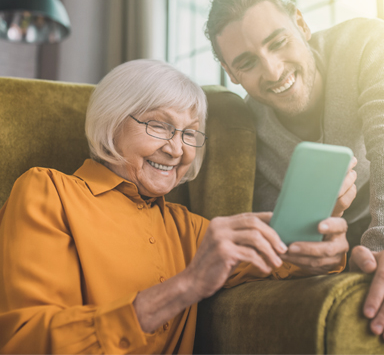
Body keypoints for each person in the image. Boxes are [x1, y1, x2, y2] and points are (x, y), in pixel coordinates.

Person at [0, 59, 352, 354]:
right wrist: (187, 285)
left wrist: (325, 234)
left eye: (189, 133)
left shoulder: (193, 229)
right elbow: (25, 342)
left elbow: (284, 262)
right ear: (111, 121)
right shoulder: (47, 191)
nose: (178, 150)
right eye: (159, 126)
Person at [204, 0, 384, 344]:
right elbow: (282, 232)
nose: (273, 71)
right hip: (338, 248)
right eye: (248, 63)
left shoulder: (365, 42)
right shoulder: (245, 130)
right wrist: (305, 257)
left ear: (301, 23)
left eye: (278, 42)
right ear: (231, 73)